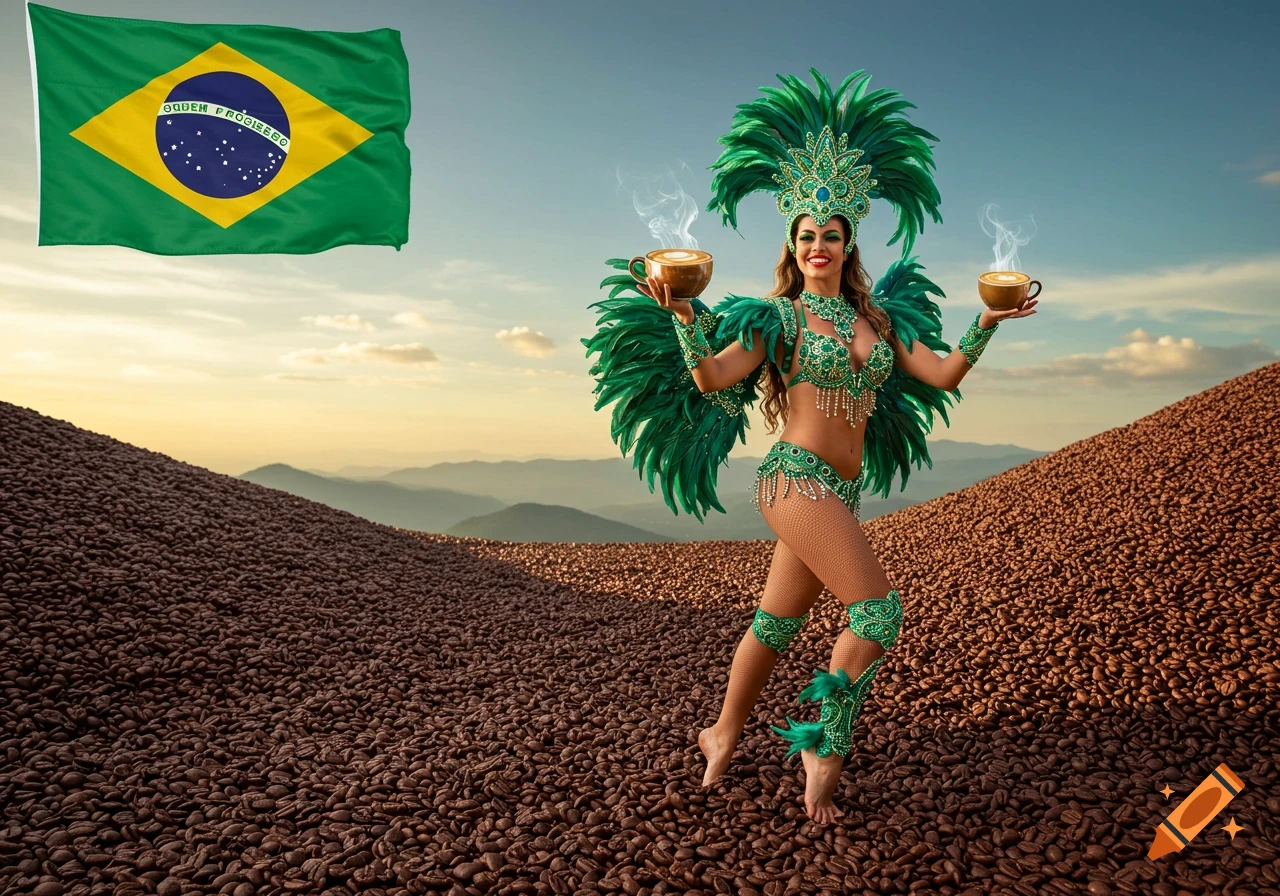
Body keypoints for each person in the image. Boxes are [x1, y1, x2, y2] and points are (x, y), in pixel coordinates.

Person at [581, 69, 1037, 823]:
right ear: (792, 247)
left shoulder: (881, 321)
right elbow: (708, 378)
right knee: (878, 614)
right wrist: (682, 314)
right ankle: (823, 740)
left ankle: (721, 733)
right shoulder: (777, 320)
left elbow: (944, 372)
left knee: (775, 624)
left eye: (830, 235)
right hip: (793, 480)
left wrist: (990, 321)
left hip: (842, 490)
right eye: (805, 235)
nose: (817, 244)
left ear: (847, 242)